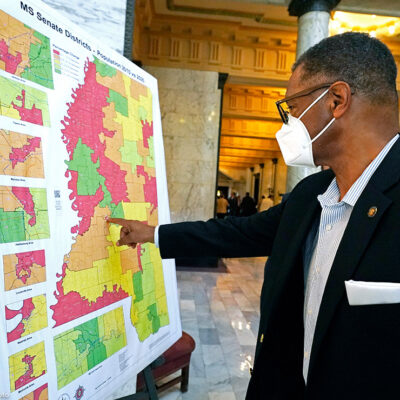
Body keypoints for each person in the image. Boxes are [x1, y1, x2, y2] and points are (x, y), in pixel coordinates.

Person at [107, 32, 400, 399]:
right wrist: (152, 234)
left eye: (292, 109)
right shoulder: (311, 195)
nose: (287, 125)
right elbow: (238, 233)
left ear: (336, 101)